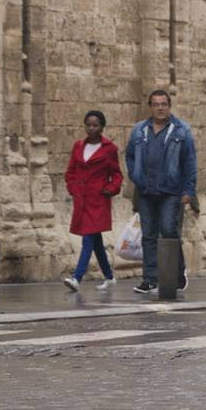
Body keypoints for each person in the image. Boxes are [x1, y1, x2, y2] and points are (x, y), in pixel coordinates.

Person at [124, 89, 198, 295]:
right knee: (148, 235)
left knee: (168, 230)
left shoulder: (182, 130)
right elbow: (129, 155)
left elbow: (189, 162)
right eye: (156, 104)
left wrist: (188, 191)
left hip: (171, 191)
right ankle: (150, 278)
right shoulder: (139, 130)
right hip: (146, 191)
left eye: (163, 104)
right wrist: (135, 175)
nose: (160, 108)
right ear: (150, 106)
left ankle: (177, 274)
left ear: (169, 106)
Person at [62, 110, 123, 292]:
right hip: (81, 198)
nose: (91, 128)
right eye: (88, 125)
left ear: (102, 127)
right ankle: (109, 277)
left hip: (98, 199)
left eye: (95, 125)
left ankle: (77, 277)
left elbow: (117, 175)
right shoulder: (78, 146)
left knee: (88, 238)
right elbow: (71, 171)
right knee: (95, 239)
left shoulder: (109, 149)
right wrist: (72, 188)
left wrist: (109, 189)